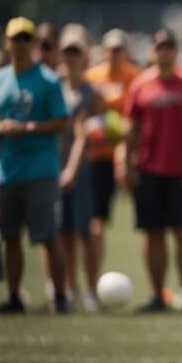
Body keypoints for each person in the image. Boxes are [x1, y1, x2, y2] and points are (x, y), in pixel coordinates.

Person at [117, 28, 182, 313]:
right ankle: (157, 294)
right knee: (152, 232)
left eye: (169, 47)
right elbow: (129, 129)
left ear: (175, 51)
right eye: (159, 47)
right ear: (152, 51)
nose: (164, 52)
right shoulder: (140, 85)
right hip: (148, 170)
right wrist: (124, 162)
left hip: (181, 170)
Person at [0, 17, 70, 313]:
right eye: (16, 38)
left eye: (26, 38)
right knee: (10, 236)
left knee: (48, 236)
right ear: (6, 42)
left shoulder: (49, 81)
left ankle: (59, 297)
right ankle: (14, 297)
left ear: (34, 43)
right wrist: (0, 127)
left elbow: (62, 120)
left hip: (40, 169)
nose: (20, 44)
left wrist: (26, 128)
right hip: (8, 169)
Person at [84, 28, 141, 294]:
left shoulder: (135, 77)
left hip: (133, 156)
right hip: (98, 158)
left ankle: (155, 288)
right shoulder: (93, 76)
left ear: (126, 50)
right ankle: (90, 286)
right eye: (110, 48)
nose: (115, 53)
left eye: (119, 48)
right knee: (96, 222)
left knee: (148, 224)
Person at [56, 24, 106, 311]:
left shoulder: (92, 92)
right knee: (63, 233)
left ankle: (90, 290)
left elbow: (99, 130)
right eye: (66, 52)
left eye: (76, 52)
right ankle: (68, 289)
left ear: (84, 56)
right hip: (52, 167)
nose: (70, 57)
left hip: (84, 170)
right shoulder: (54, 88)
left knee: (86, 231)